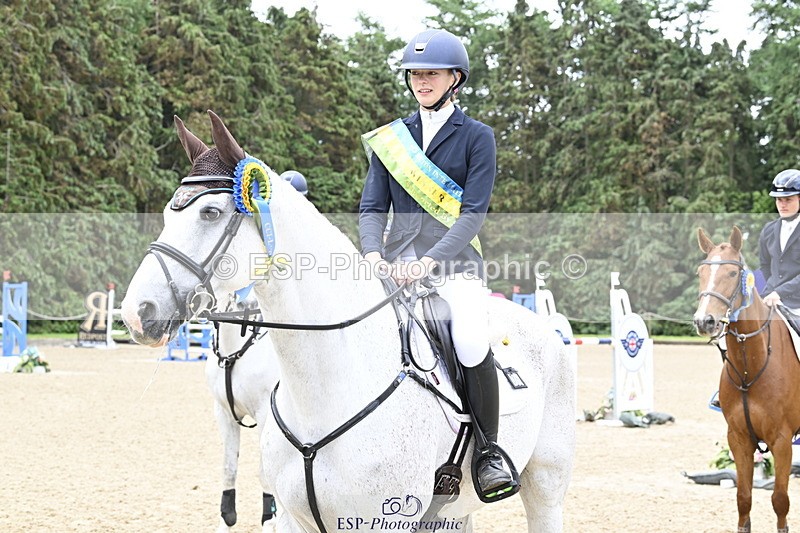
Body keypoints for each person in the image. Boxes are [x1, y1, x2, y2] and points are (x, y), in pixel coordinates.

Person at [358, 28, 514, 499]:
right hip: (392, 264)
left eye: (432, 73)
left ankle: (489, 451)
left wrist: (426, 262)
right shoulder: (392, 140)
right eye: (415, 74)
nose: (421, 81)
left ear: (455, 78)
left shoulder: (478, 138)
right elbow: (370, 208)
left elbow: (472, 215)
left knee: (467, 337)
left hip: (453, 265)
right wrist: (371, 253)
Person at [758, 168, 800, 314]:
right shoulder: (768, 230)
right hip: (771, 298)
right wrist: (773, 291)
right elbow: (765, 265)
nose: (782, 205)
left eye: (788, 199)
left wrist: (781, 292)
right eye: (779, 200)